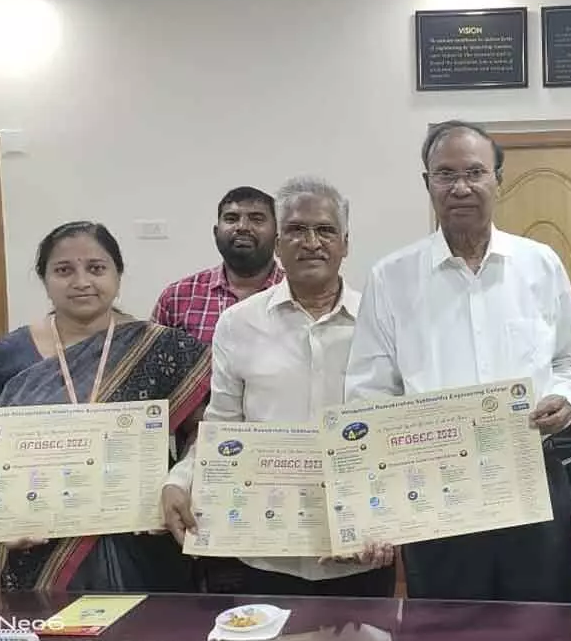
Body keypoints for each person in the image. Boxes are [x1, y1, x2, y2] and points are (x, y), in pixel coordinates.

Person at [343, 120, 571, 604]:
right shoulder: (392, 277)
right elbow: (369, 393)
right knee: (446, 635)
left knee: (543, 631)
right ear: (427, 184)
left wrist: (564, 397)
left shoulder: (539, 264)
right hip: (435, 490)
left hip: (531, 480)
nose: (461, 187)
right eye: (445, 174)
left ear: (498, 179)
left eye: (475, 172)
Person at [160, 177, 395, 597]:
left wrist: (396, 519)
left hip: (361, 545)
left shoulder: (383, 321)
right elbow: (222, 425)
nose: (311, 242)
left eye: (324, 230)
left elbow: (397, 431)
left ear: (344, 242)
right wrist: (180, 480)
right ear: (278, 243)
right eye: (296, 230)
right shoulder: (239, 324)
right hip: (267, 550)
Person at [0, 222, 210, 591]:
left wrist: (182, 484)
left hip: (144, 539)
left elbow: (204, 433)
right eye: (64, 270)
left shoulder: (163, 348)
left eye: (96, 268)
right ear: (44, 278)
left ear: (117, 274)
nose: (81, 281)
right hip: (36, 544)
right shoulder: (4, 356)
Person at [152, 186, 284, 344]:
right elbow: (150, 363)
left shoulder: (300, 294)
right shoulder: (177, 297)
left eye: (256, 219)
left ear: (277, 235)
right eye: (231, 218)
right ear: (216, 233)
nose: (243, 227)